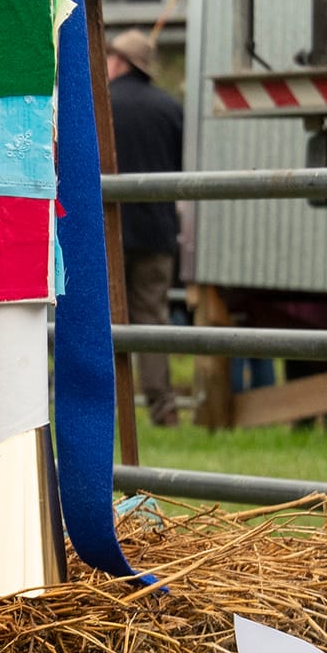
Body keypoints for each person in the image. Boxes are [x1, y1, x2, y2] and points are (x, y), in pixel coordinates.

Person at [106, 29, 183, 426]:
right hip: (156, 231)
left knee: (103, 319)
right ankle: (163, 407)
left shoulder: (101, 104)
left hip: (108, 231)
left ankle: (105, 403)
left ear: (119, 62)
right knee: (153, 320)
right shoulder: (170, 108)